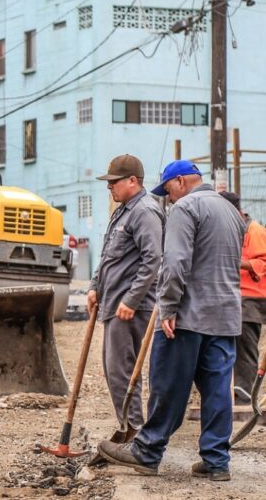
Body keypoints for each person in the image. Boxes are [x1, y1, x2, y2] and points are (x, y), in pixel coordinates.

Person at [98, 160, 245, 482]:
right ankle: (217, 461)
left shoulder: (186, 208)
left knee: (168, 386)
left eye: (168, 190)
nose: (169, 197)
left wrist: (167, 308)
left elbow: (175, 263)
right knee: (218, 391)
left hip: (188, 316)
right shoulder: (231, 212)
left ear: (179, 182)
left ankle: (147, 452)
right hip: (226, 316)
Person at [86, 154, 164, 459]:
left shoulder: (145, 212)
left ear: (133, 181)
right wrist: (94, 287)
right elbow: (108, 257)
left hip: (131, 307)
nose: (110, 189)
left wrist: (131, 300)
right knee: (113, 370)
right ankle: (128, 427)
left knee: (123, 371)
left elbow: (152, 260)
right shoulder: (123, 212)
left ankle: (136, 432)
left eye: (114, 183)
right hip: (113, 302)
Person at [219, 191, 266, 403]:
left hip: (251, 298)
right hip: (231, 295)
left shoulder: (254, 230)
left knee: (245, 347)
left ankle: (245, 398)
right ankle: (233, 395)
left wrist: (234, 261)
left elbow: (262, 263)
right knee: (227, 347)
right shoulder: (230, 229)